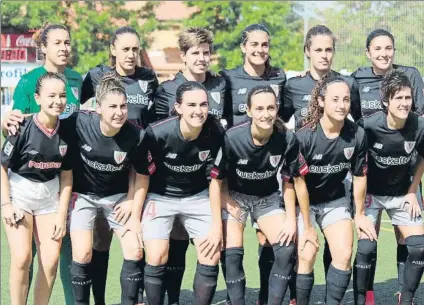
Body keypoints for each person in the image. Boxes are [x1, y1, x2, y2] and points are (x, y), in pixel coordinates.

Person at [210, 85, 317, 305]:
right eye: (259, 109)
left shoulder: (287, 138)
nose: (265, 114)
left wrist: (296, 221)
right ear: (248, 111)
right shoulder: (232, 137)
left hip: (267, 199)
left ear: (277, 109)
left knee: (286, 248)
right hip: (235, 196)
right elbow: (216, 179)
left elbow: (295, 181)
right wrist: (223, 204)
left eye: (270, 108)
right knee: (231, 253)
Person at [1, 23, 82, 305]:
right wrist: (4, 121)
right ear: (43, 48)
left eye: (67, 42)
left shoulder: (77, 79)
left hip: (61, 180)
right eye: (57, 43)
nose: (64, 48)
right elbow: (13, 125)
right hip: (25, 180)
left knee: (59, 256)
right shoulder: (30, 80)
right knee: (23, 257)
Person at [79, 25, 158, 305]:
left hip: (137, 168)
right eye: (125, 49)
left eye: (136, 49)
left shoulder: (148, 78)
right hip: (102, 171)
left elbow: (155, 120)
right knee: (100, 241)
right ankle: (98, 299)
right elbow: (82, 114)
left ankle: (136, 298)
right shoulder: (96, 75)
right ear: (113, 50)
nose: (131, 54)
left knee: (139, 236)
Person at [126, 81, 223, 305]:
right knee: (157, 254)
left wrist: (217, 226)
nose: (198, 111)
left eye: (203, 104)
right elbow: (141, 174)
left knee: (211, 254)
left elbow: (216, 180)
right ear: (178, 108)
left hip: (197, 197)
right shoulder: (157, 133)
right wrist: (134, 217)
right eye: (191, 105)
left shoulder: (215, 131)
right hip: (160, 197)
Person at [153, 26, 227, 305]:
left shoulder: (221, 85)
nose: (201, 58)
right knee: (173, 245)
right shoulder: (166, 90)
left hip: (208, 182)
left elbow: (225, 131)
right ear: (183, 56)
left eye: (206, 53)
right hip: (169, 183)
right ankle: (170, 298)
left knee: (210, 246)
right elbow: (160, 136)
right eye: (195, 53)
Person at [351, 29, 424, 304]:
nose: (384, 53)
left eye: (388, 48)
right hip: (370, 183)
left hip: (404, 182)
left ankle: (404, 295)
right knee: (367, 244)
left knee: (411, 243)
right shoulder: (357, 80)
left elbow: (420, 135)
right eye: (377, 48)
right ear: (368, 52)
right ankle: (365, 296)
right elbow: (354, 121)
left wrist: (413, 190)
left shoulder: (411, 76)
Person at [219, 23, 290, 305]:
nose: (260, 50)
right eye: (254, 44)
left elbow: (283, 122)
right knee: (231, 246)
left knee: (270, 242)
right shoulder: (227, 79)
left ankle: (264, 297)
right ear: (243, 47)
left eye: (265, 45)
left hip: (266, 179)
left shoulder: (280, 77)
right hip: (233, 177)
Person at [62, 73, 144, 305]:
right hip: (83, 197)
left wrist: (131, 202)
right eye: (112, 107)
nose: (119, 112)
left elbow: (141, 175)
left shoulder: (136, 134)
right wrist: (13, 117)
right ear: (98, 108)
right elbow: (46, 120)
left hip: (118, 198)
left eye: (123, 106)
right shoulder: (79, 121)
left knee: (135, 251)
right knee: (83, 254)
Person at [294, 74, 376, 305]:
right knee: (307, 254)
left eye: (346, 100)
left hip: (335, 202)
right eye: (335, 99)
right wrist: (306, 226)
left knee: (343, 254)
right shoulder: (304, 137)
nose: (342, 105)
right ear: (321, 102)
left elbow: (360, 177)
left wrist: (359, 214)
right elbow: (295, 183)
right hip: (305, 204)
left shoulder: (356, 134)